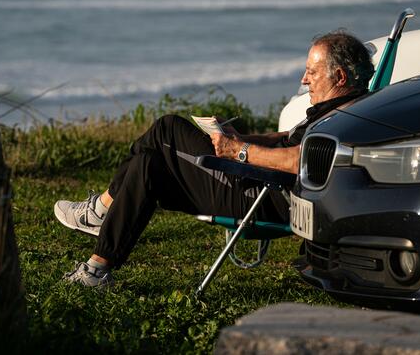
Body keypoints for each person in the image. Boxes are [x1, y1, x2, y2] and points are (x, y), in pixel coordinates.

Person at [53, 30, 374, 286]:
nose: (305, 80)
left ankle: (101, 211)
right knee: (148, 164)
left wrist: (239, 152)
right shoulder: (345, 107)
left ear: (340, 77)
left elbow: (299, 161)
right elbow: (285, 138)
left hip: (265, 193)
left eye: (311, 72)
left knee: (167, 129)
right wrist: (243, 138)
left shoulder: (345, 117)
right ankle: (98, 267)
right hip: (259, 179)